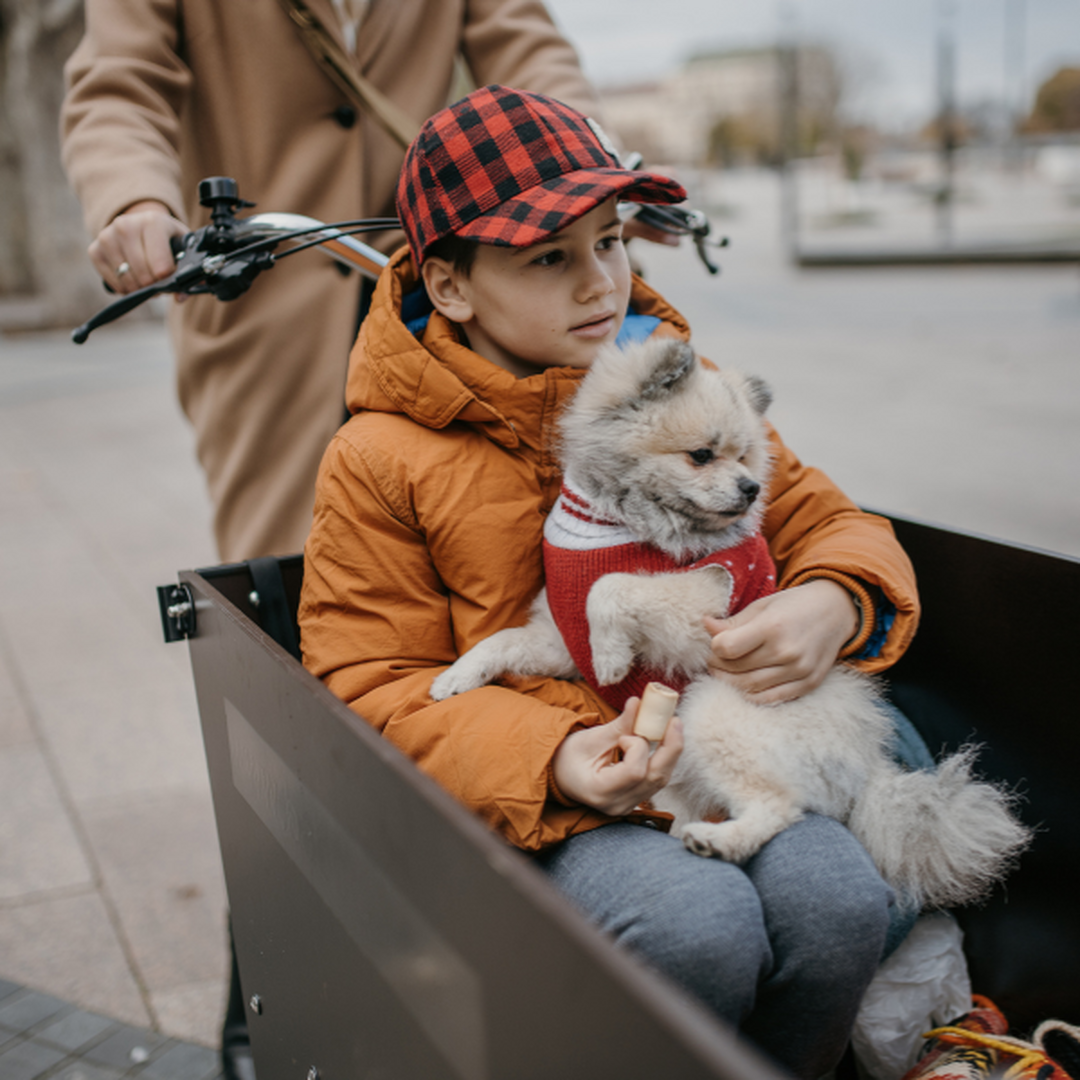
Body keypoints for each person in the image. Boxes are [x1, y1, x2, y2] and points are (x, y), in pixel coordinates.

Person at [298, 85, 921, 1079]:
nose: (601, 283)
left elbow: (825, 519)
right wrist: (553, 757)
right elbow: (372, 685)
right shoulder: (381, 456)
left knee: (840, 902)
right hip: (546, 790)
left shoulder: (686, 380)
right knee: (699, 930)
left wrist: (835, 596)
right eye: (550, 258)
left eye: (610, 241)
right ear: (451, 286)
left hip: (725, 741)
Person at [60, 0, 607, 562]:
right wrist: (134, 200)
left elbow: (527, 47)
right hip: (263, 292)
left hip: (418, 275)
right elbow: (119, 84)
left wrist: (594, 171)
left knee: (487, 534)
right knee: (281, 563)